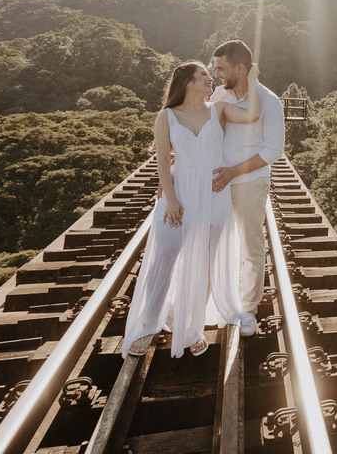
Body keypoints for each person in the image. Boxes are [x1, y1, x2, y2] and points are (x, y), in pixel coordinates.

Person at [122, 60, 261, 357]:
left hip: (214, 192)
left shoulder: (219, 110)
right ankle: (147, 325)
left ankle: (192, 328)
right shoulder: (166, 117)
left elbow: (252, 115)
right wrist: (171, 198)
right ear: (187, 82)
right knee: (165, 255)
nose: (210, 80)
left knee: (207, 262)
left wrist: (252, 79)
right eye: (204, 75)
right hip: (181, 191)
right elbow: (161, 161)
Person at [210, 40, 286, 336]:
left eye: (221, 68)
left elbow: (273, 151)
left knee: (250, 247)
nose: (216, 74)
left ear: (240, 69)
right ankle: (220, 301)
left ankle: (248, 309)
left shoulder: (269, 102)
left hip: (249, 183)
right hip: (218, 182)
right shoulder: (219, 94)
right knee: (215, 243)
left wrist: (233, 172)